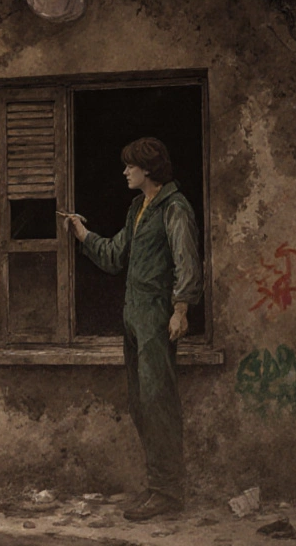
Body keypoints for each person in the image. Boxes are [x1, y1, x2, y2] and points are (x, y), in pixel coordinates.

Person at [66, 137, 202, 521]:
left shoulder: (174, 208)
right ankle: (159, 485)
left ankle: (169, 492)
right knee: (142, 404)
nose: (125, 171)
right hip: (134, 316)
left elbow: (187, 262)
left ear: (149, 169)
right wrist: (83, 235)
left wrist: (180, 310)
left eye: (130, 166)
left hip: (157, 315)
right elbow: (115, 256)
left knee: (159, 403)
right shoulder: (139, 208)